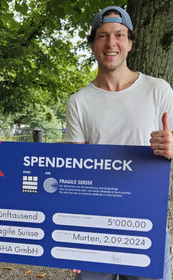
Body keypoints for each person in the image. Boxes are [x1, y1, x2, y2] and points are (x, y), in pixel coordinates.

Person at [65, 6, 173, 280]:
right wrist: (71, 236)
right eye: (102, 36)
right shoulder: (79, 102)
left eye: (119, 35)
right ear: (92, 44)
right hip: (93, 227)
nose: (111, 43)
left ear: (130, 43)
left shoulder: (158, 89)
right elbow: (73, 172)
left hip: (147, 223)